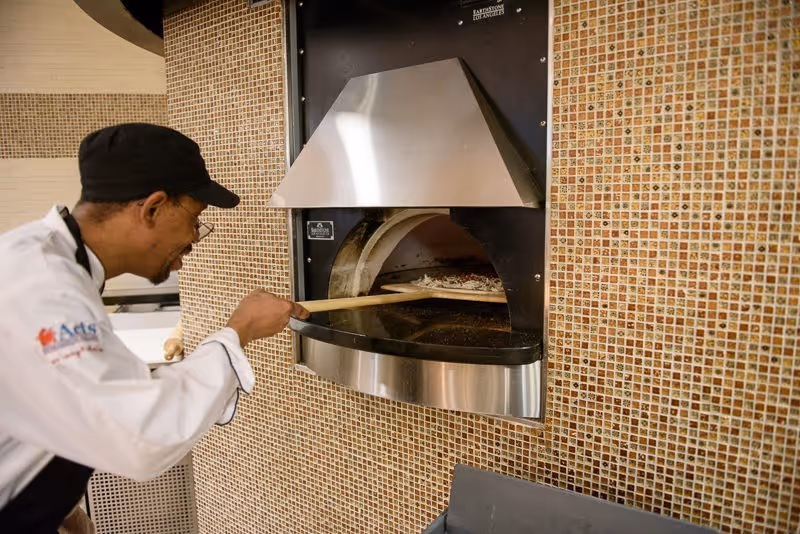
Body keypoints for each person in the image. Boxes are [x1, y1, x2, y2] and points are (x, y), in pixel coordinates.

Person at [0, 123, 309, 533]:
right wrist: (240, 330)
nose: (195, 238)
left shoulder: (46, 260)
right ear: (152, 207)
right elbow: (140, 434)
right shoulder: (45, 286)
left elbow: (46, 407)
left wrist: (64, 509)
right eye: (195, 219)